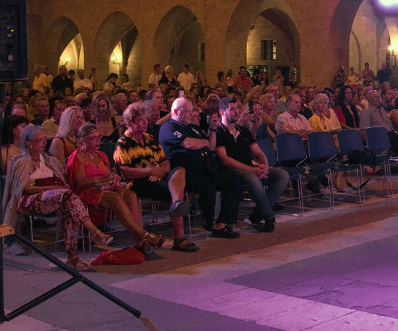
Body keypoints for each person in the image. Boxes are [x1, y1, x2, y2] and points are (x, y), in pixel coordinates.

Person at [4, 125, 114, 269]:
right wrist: (52, 188)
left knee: (70, 208)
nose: (44, 142)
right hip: (28, 200)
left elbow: (63, 181)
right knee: (67, 197)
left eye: (44, 139)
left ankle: (73, 256)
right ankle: (94, 232)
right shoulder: (23, 162)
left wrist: (62, 186)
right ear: (28, 143)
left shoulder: (49, 161)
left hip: (55, 198)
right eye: (39, 140)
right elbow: (23, 189)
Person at [67, 122, 167, 252]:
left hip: (105, 188)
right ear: (82, 140)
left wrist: (114, 178)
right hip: (87, 191)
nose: (98, 140)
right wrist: (101, 180)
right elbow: (79, 183)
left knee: (130, 194)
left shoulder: (101, 155)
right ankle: (144, 235)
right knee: (115, 198)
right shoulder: (77, 156)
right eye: (94, 138)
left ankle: (138, 240)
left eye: (99, 137)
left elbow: (110, 174)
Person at [113, 103, 194, 252]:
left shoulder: (149, 138)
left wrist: (160, 173)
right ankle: (179, 237)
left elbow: (165, 163)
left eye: (145, 119)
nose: (145, 123)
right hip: (137, 182)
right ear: (130, 123)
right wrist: (149, 171)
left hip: (157, 177)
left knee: (180, 170)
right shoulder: (123, 143)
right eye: (140, 120)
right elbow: (125, 171)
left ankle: (177, 203)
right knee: (171, 188)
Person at [159, 98, 243, 238]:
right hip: (183, 173)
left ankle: (222, 223)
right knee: (208, 187)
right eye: (187, 111)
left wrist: (213, 129)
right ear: (175, 111)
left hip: (204, 169)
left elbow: (210, 146)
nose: (191, 114)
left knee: (234, 181)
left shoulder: (193, 128)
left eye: (192, 110)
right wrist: (204, 142)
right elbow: (188, 144)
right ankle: (209, 224)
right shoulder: (168, 127)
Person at [214, 98, 288, 232]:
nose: (236, 111)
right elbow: (225, 159)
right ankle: (269, 216)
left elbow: (258, 153)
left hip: (250, 168)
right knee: (252, 177)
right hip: (231, 171)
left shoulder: (243, 131)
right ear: (222, 112)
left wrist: (264, 166)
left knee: (282, 175)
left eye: (237, 108)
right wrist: (252, 170)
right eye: (232, 109)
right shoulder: (219, 132)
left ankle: (257, 214)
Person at [358, 88, 398, 171]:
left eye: (379, 96)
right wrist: (370, 146)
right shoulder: (367, 112)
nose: (378, 98)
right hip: (381, 138)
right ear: (369, 99)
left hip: (391, 134)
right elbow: (363, 131)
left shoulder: (382, 110)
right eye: (375, 97)